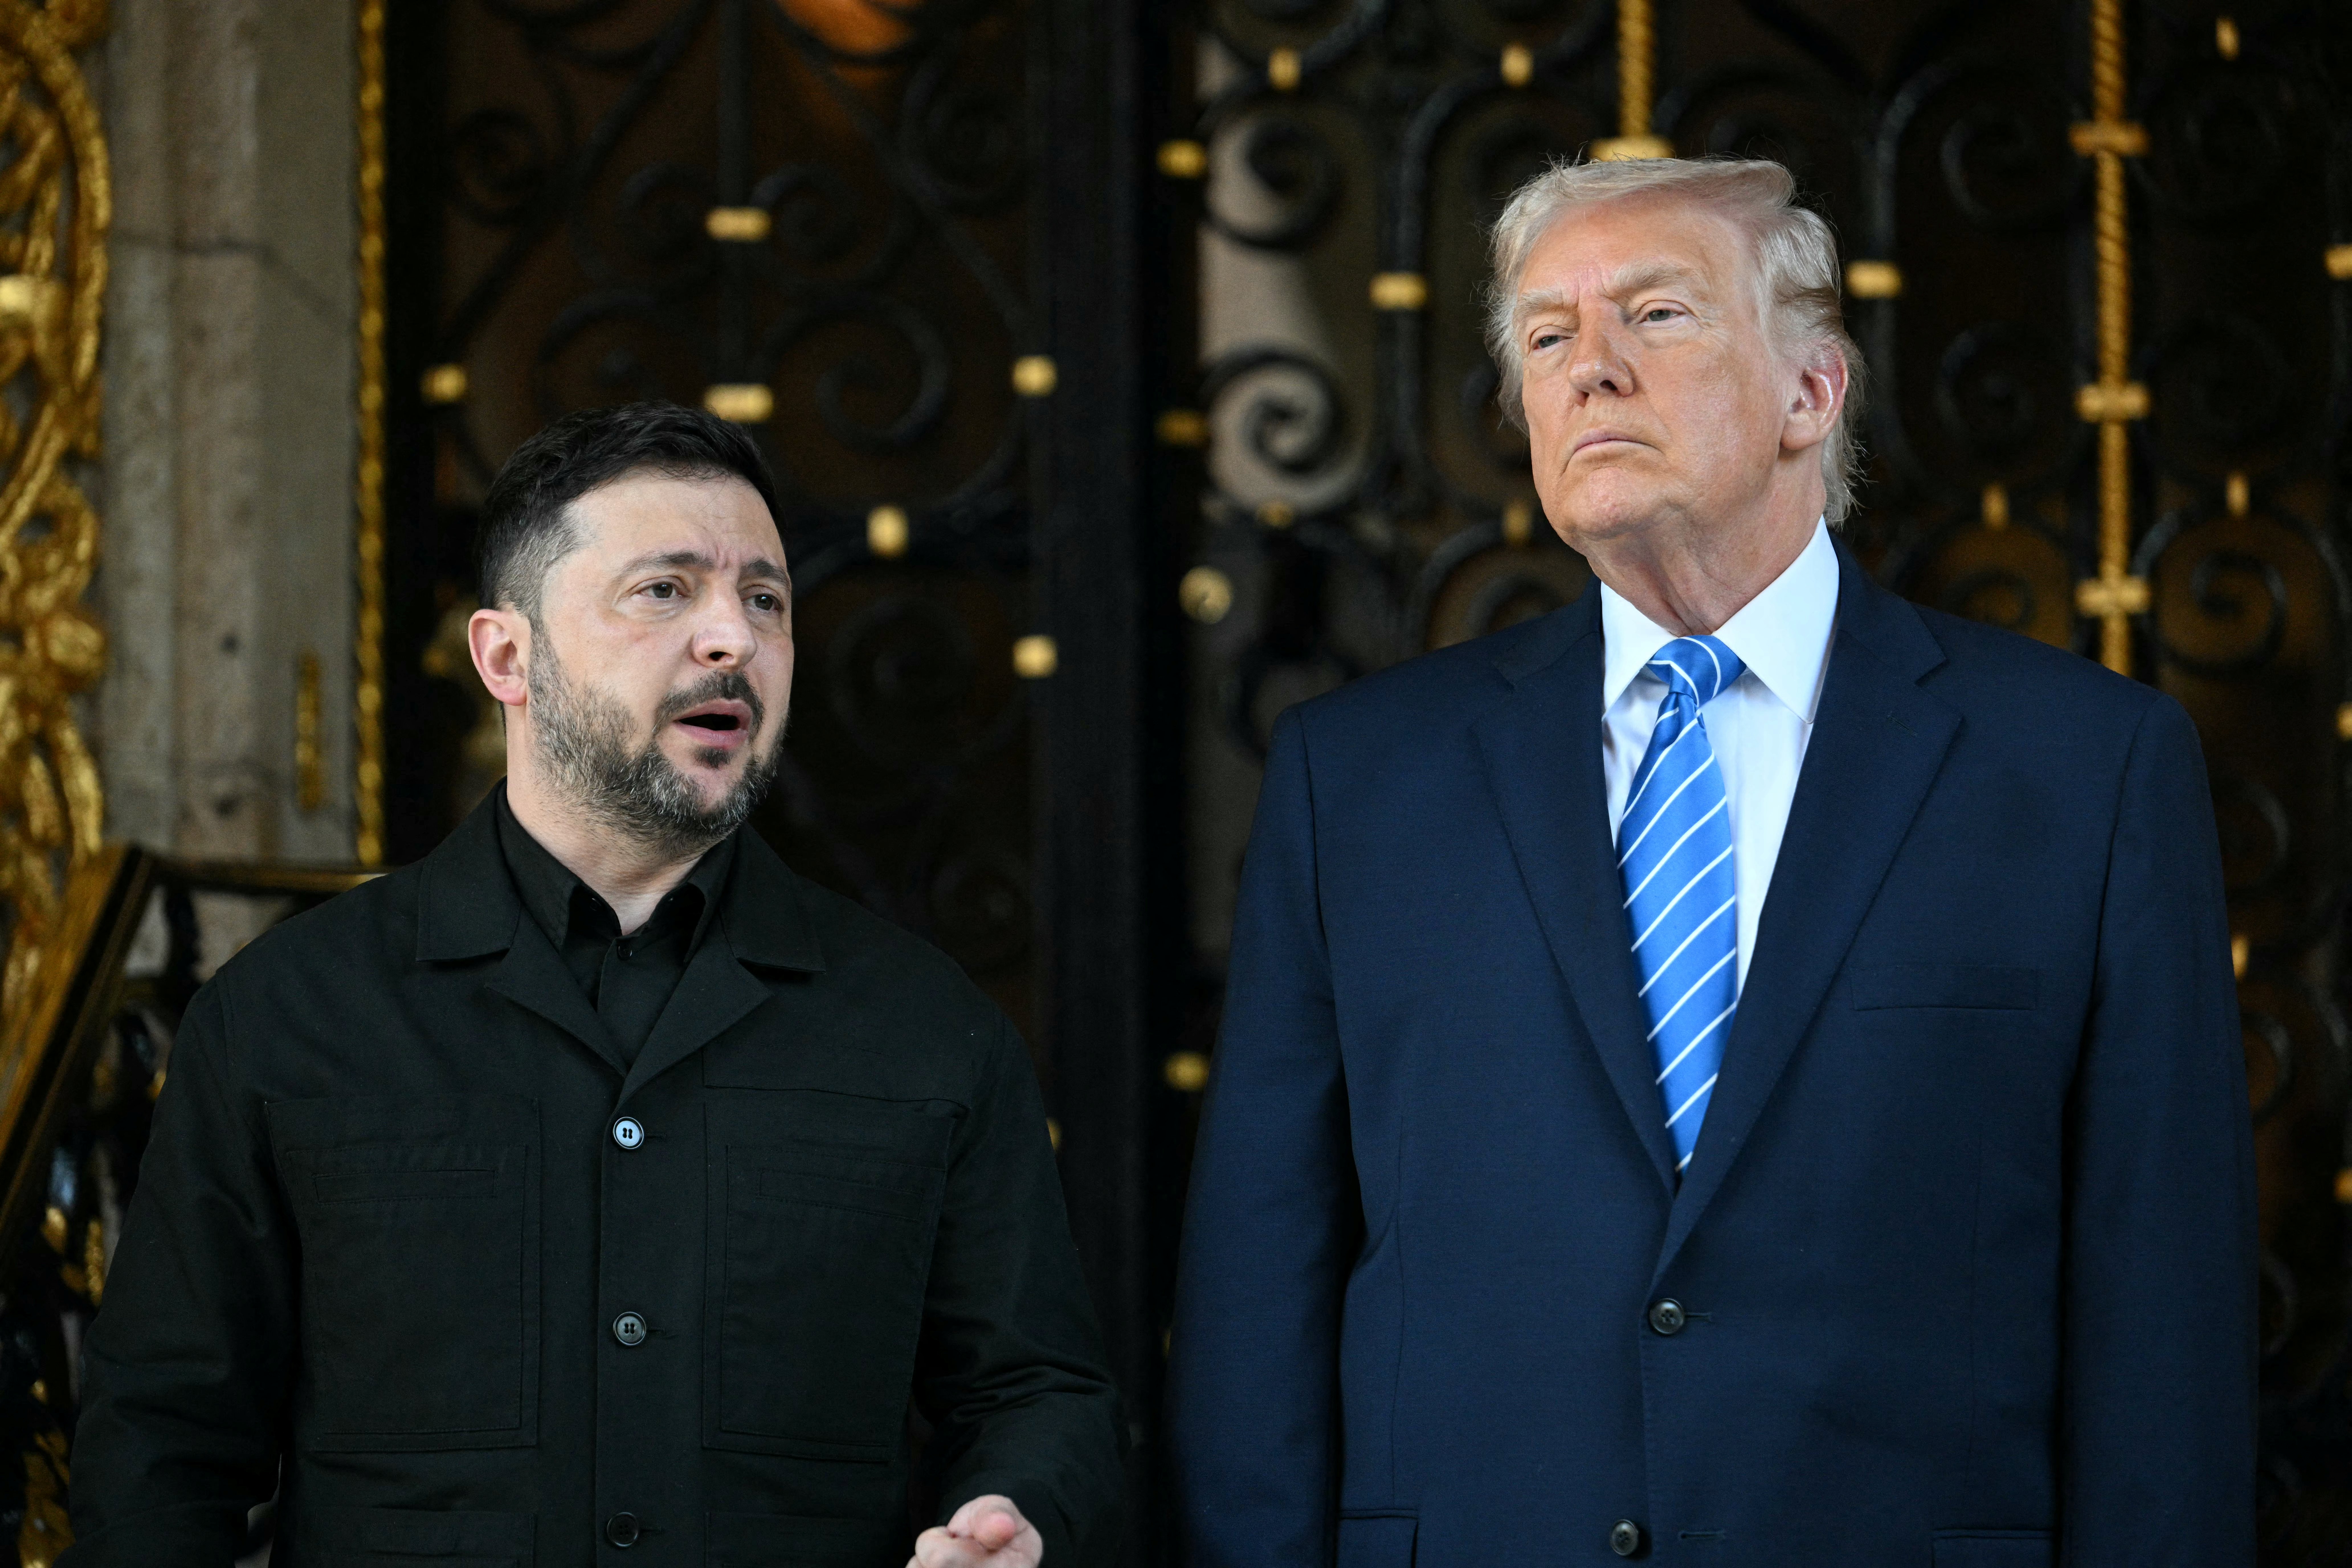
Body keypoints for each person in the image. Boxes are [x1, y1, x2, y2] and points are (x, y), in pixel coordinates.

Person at [1168, 156, 2255, 1566]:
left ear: (1815, 392)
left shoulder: (2084, 767)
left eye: (1657, 315)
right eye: (1547, 337)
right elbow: (1262, 1289)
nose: (1589, 370)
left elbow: (2161, 1316)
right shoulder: (1358, 780)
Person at [65, 403, 1123, 1567]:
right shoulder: (283, 1018)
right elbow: (161, 1447)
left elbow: (1040, 1390)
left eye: (765, 598)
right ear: (507, 656)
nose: (734, 637)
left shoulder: (929, 1031)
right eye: (665, 590)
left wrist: (1022, 1513)